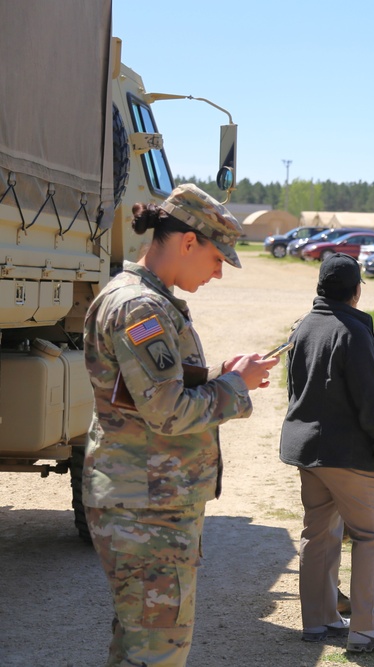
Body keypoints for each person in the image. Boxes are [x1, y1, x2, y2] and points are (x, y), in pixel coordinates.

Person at [82, 183, 279, 666]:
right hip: (146, 507)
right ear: (188, 242)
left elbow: (147, 389)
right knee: (157, 652)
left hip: (148, 499)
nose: (218, 272)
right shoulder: (140, 308)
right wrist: (237, 387)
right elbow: (167, 410)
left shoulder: (147, 300)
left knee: (140, 644)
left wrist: (222, 375)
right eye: (217, 258)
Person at [279, 252, 374, 652]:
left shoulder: (303, 327)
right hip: (349, 455)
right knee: (371, 536)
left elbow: (294, 390)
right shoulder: (354, 332)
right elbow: (370, 404)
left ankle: (318, 620)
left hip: (308, 452)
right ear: (356, 290)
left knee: (317, 535)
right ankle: (367, 629)